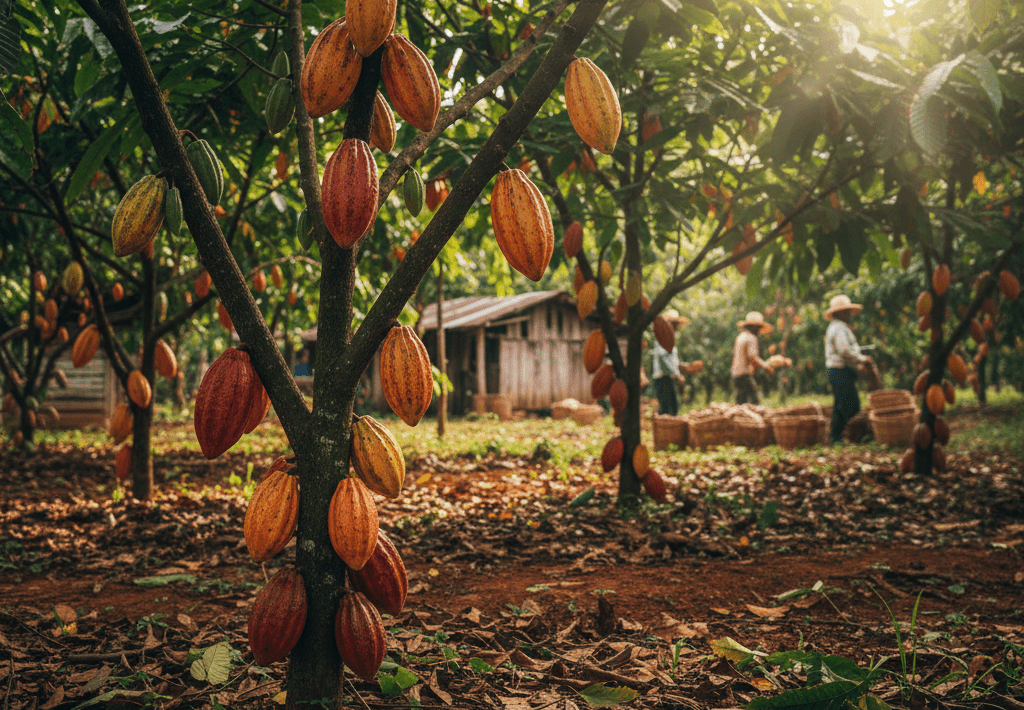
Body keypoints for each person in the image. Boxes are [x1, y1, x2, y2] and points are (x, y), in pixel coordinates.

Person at [824, 294, 873, 444]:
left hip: (837, 370)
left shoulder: (838, 327)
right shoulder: (839, 328)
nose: (848, 314)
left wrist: (858, 364)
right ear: (837, 313)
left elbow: (846, 352)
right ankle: (856, 437)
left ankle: (836, 438)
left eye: (848, 311)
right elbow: (844, 351)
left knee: (840, 406)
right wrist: (862, 359)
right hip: (840, 371)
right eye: (845, 311)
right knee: (851, 404)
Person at [651, 309, 688, 415]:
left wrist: (681, 368)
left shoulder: (669, 338)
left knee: (673, 407)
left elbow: (670, 359)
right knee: (667, 409)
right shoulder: (662, 338)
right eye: (675, 324)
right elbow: (663, 358)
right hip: (663, 377)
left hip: (668, 377)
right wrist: (676, 374)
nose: (677, 327)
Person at [731, 312, 773, 404]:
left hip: (736, 374)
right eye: (758, 328)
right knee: (755, 402)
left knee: (740, 403)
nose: (759, 330)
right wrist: (766, 367)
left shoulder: (740, 336)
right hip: (744, 374)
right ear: (754, 327)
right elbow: (753, 357)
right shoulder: (751, 338)